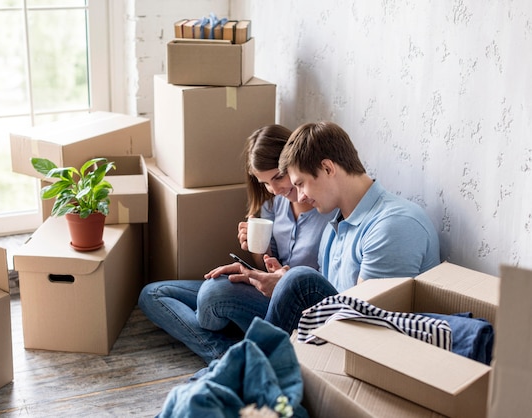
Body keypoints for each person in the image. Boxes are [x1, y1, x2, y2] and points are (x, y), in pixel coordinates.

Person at [138, 125, 334, 364]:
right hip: (265, 292)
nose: (275, 189)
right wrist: (255, 249)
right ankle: (225, 353)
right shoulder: (273, 204)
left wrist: (281, 277)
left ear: (293, 163)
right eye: (264, 183)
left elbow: (324, 286)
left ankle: (233, 348)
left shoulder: (326, 210)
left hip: (292, 308)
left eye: (278, 177)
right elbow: (266, 266)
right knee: (153, 294)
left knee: (213, 295)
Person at [231, 121, 441, 333]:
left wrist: (290, 283)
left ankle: (248, 361)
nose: (300, 196)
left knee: (298, 279)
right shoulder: (334, 227)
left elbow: (368, 324)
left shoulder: (394, 225)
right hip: (335, 331)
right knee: (227, 290)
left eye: (301, 183)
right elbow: (326, 296)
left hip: (373, 344)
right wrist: (283, 280)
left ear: (327, 168)